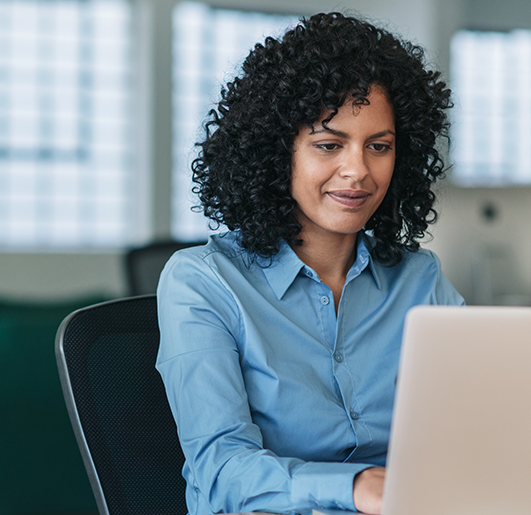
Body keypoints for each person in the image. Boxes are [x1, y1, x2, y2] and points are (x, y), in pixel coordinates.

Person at [156, 12, 464, 515]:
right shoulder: (203, 282)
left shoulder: (420, 281)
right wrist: (358, 486)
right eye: (328, 145)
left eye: (379, 147)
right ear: (279, 153)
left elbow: (471, 432)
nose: (358, 171)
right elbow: (221, 470)